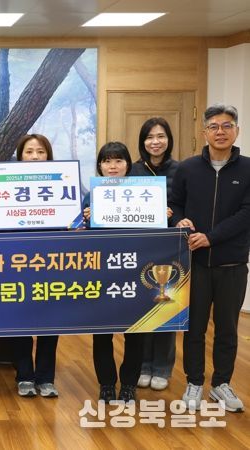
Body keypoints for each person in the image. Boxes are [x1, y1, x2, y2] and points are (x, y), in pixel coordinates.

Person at [171, 104, 249, 413]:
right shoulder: (188, 168)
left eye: (227, 126)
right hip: (196, 264)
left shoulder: (247, 169)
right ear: (204, 132)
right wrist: (178, 220)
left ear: (236, 131)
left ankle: (221, 384)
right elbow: (175, 204)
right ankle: (194, 382)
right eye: (214, 126)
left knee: (227, 328)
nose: (220, 131)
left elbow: (246, 214)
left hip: (232, 264)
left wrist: (211, 237)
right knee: (194, 328)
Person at [83, 142, 144, 403]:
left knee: (137, 331)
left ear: (128, 165)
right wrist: (85, 220)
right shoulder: (91, 196)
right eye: (107, 161)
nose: (113, 166)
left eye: (119, 160)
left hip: (135, 271)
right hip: (103, 272)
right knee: (102, 331)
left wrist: (162, 216)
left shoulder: (144, 194)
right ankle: (106, 383)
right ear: (100, 166)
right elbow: (80, 235)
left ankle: (129, 384)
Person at [130, 117, 179, 392]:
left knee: (166, 306)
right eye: (149, 137)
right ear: (142, 141)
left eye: (161, 136)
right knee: (142, 309)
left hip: (170, 249)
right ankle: (143, 365)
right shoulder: (133, 170)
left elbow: (186, 207)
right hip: (140, 248)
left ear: (168, 139)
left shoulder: (181, 170)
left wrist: (174, 215)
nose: (155, 142)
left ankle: (162, 368)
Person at [11, 134, 60, 399]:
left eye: (40, 152)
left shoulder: (62, 184)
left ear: (48, 156)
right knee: (19, 321)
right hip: (16, 263)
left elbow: (74, 218)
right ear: (20, 156)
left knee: (50, 322)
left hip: (52, 264)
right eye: (29, 152)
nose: (34, 157)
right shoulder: (6, 185)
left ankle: (46, 378)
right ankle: (24, 376)